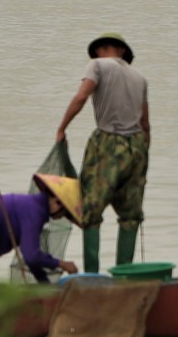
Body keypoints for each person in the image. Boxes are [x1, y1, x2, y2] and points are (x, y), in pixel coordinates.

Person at [56, 32, 149, 273]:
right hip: (137, 146)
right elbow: (145, 124)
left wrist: (62, 128)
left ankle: (91, 275)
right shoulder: (140, 77)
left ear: (102, 49)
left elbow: (82, 97)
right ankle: (124, 275)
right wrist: (142, 156)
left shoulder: (97, 65)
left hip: (108, 143)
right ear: (123, 52)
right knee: (130, 215)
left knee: (91, 211)